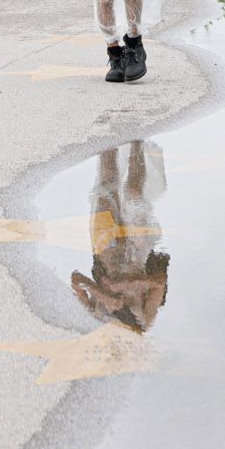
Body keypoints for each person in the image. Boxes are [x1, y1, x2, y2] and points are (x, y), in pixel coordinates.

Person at [69, 140, 169, 332]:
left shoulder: (97, 318)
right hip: (137, 251)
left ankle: (109, 136)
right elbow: (159, 283)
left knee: (107, 185)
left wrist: (102, 294)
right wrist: (130, 283)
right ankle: (136, 142)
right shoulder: (143, 322)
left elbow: (76, 280)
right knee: (133, 193)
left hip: (106, 248)